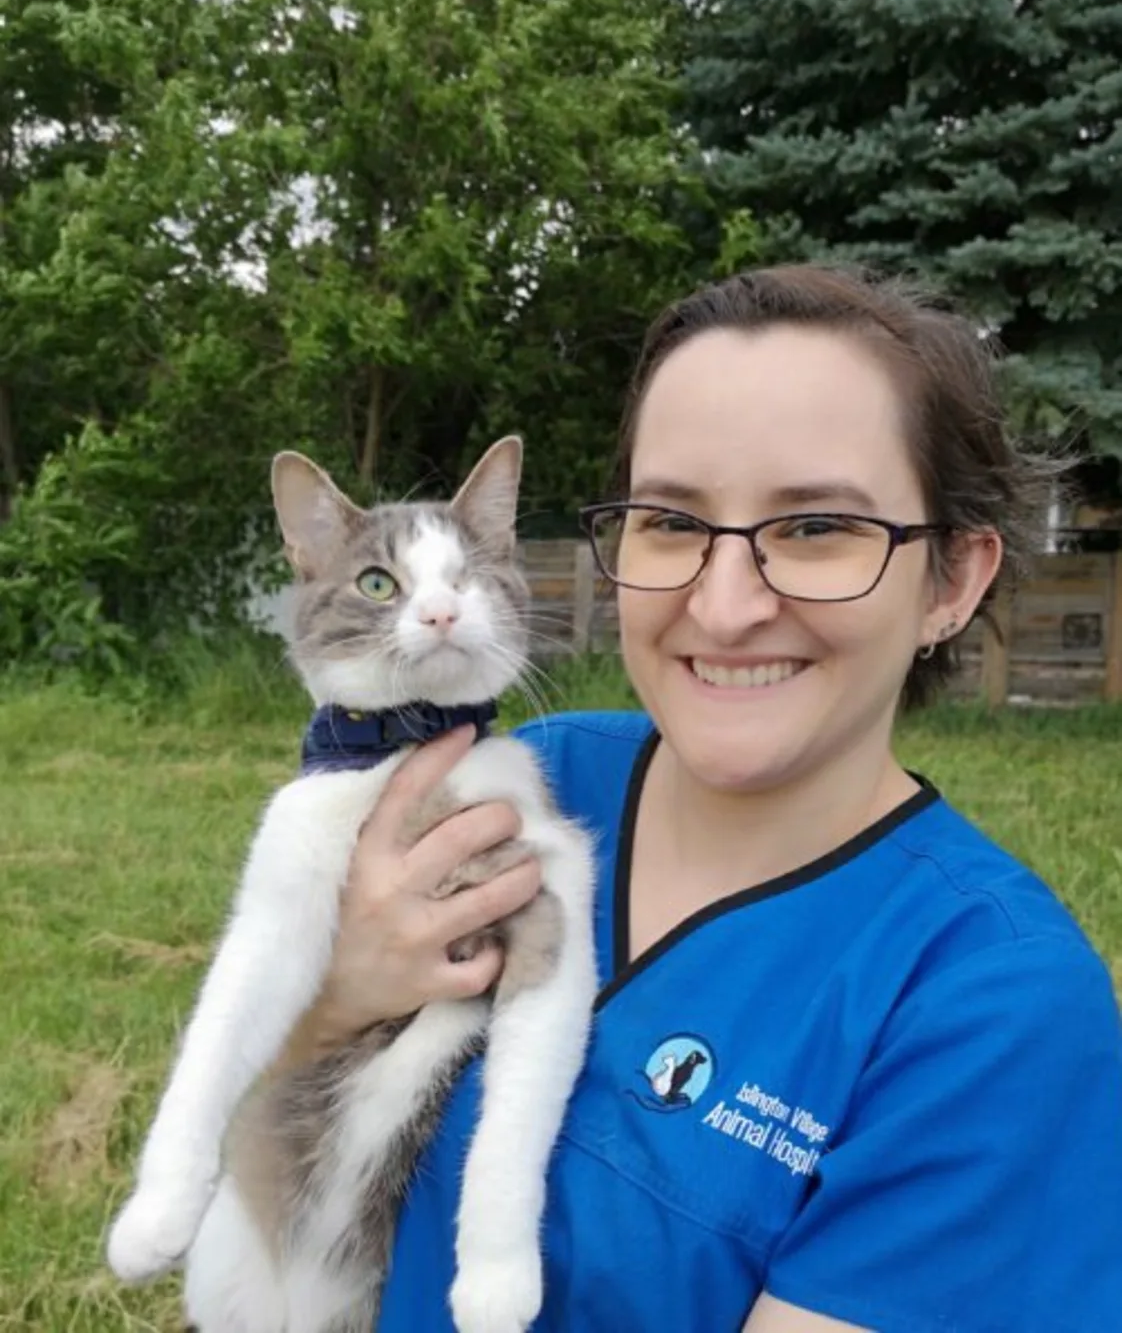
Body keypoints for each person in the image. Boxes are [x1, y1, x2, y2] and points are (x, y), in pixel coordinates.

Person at [298, 266, 1122, 1331]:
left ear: (953, 580)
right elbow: (274, 1146)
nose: (725, 606)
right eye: (673, 522)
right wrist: (335, 997)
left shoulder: (992, 1004)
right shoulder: (519, 784)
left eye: (818, 526)